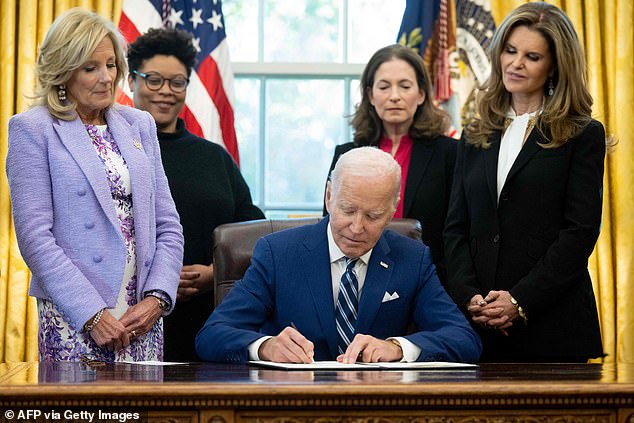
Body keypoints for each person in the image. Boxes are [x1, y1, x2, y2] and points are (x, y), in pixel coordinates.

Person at [5, 9, 184, 362]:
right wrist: (91, 314)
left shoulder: (140, 125)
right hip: (77, 315)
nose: (106, 78)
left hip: (142, 317)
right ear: (63, 72)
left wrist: (157, 299)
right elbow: (35, 238)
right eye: (91, 68)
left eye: (112, 65)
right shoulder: (32, 130)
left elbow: (168, 226)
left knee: (147, 416)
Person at [196, 147, 481, 364]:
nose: (357, 228)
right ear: (329, 197)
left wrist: (396, 347)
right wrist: (265, 346)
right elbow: (212, 335)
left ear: (393, 209)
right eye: (347, 210)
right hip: (293, 405)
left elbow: (464, 339)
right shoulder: (278, 253)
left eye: (373, 215)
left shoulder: (412, 258)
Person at [443, 2, 606, 362]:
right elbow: (456, 228)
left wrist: (519, 301)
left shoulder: (582, 134)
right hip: (478, 327)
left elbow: (579, 233)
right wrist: (469, 295)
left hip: (552, 328)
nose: (515, 63)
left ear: (554, 67)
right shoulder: (475, 133)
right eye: (510, 50)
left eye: (531, 56)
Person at [127, 28, 264, 362]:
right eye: (154, 80)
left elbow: (255, 236)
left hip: (209, 322)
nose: (166, 92)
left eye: (178, 82)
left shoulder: (214, 158)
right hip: (127, 319)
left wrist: (213, 273)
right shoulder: (111, 153)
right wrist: (157, 284)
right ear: (131, 80)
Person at [324, 44, 456, 285]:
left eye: (405, 86)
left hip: (429, 278)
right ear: (371, 95)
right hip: (358, 276)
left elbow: (456, 231)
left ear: (422, 94)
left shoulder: (450, 153)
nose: (394, 96)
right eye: (384, 87)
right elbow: (329, 221)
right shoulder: (348, 153)